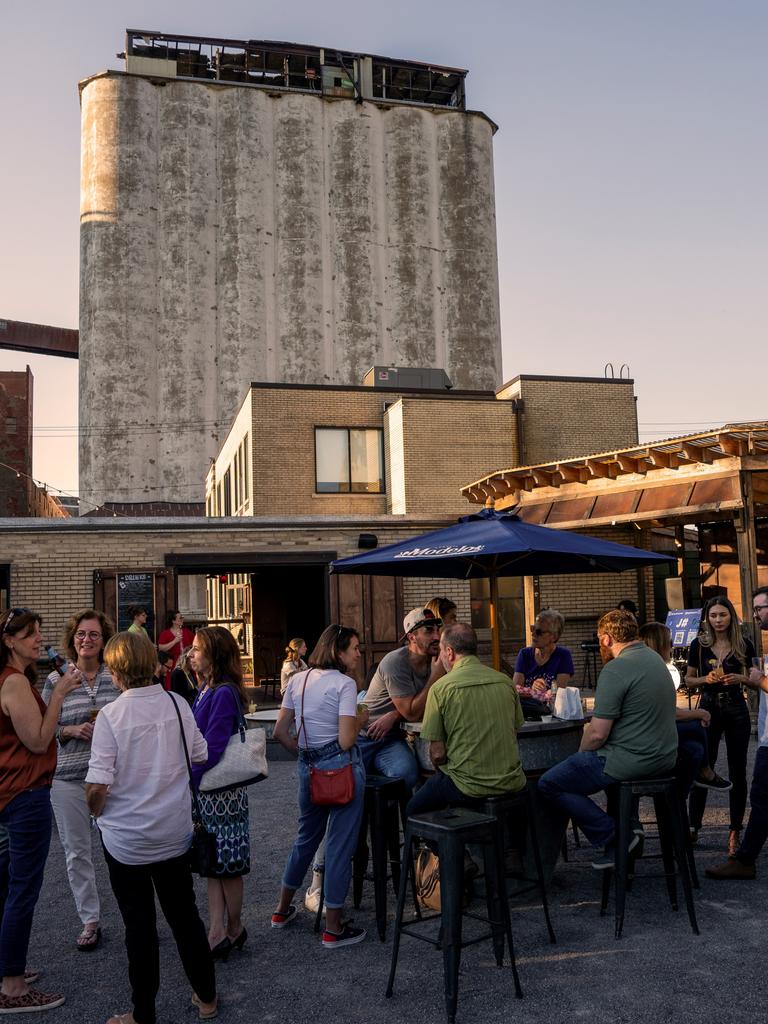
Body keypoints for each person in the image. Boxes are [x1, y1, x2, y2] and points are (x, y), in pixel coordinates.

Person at [85, 630, 216, 1024]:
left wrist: (97, 813)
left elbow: (97, 785)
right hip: (174, 832)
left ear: (117, 671)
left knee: (139, 926)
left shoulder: (111, 715)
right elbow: (201, 753)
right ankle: (207, 997)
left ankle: (144, 1014)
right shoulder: (178, 703)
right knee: (185, 916)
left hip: (126, 840)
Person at [538, 609, 678, 869]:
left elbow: (597, 733)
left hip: (632, 761)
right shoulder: (655, 659)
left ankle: (614, 835)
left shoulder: (616, 669)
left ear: (605, 640)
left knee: (549, 783)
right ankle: (629, 829)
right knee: (601, 775)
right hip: (664, 757)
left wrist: (579, 755)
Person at [0, 607, 80, 1014]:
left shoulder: (10, 679)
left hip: (8, 793)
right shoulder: (14, 682)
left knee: (6, 886)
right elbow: (37, 740)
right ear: (9, 641)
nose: (37, 638)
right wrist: (62, 692)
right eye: (28, 633)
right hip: (25, 794)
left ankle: (6, 969)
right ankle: (12, 988)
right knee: (22, 890)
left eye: (38, 632)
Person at [272, 624, 368, 948]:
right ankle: (334, 927)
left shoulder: (298, 680)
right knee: (340, 845)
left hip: (308, 767)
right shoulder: (345, 685)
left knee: (305, 839)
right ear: (338, 652)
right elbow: (346, 738)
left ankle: (282, 910)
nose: (358, 653)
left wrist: (304, 754)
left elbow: (280, 732)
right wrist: (361, 719)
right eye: (354, 647)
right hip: (340, 768)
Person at [42, 609, 119, 951]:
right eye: (81, 635)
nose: (86, 640)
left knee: (121, 848)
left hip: (111, 779)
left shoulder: (116, 676)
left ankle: (135, 914)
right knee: (77, 852)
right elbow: (42, 731)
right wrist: (70, 730)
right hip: (69, 777)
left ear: (104, 641)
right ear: (72, 640)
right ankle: (90, 920)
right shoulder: (55, 680)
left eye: (93, 635)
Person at [406, 623, 525, 818]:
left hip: (465, 786)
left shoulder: (440, 688)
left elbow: (437, 754)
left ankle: (445, 847)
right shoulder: (505, 681)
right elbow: (513, 733)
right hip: (510, 782)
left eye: (442, 652)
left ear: (450, 652)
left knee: (413, 810)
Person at [188, 627, 250, 958]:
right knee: (212, 863)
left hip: (222, 792)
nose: (191, 653)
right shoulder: (204, 688)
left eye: (197, 649)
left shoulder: (223, 692)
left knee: (228, 866)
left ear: (215, 654)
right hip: (209, 792)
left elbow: (211, 748)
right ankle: (215, 931)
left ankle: (235, 926)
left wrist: (190, 779)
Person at [706, 587, 768, 879]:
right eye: (754, 610)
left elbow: (760, 682)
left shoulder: (745, 645)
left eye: (760, 609)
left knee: (760, 794)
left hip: (753, 726)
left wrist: (757, 680)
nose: (756, 616)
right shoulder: (701, 644)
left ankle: (744, 859)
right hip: (761, 731)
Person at [686, 596, 755, 854]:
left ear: (731, 617)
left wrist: (740, 677)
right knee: (704, 766)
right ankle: (693, 826)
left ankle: (735, 831)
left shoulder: (744, 645)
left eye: (722, 615)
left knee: (738, 770)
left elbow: (754, 677)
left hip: (736, 707)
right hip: (708, 706)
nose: (718, 620)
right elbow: (689, 680)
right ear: (707, 618)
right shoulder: (699, 645)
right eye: (713, 616)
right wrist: (706, 677)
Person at [357, 608, 446, 790]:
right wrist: (436, 676)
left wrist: (395, 715)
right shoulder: (395, 662)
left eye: (438, 630)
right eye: (429, 631)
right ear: (412, 637)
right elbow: (412, 713)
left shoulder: (436, 660)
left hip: (391, 738)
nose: (437, 636)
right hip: (364, 736)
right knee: (348, 785)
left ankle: (401, 814)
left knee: (407, 775)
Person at [638, 621, 728, 794]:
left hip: (655, 728)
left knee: (696, 748)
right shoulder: (653, 671)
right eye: (669, 641)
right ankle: (704, 774)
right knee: (696, 726)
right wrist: (699, 712)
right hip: (648, 734)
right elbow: (669, 714)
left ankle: (683, 792)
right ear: (658, 644)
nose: (672, 645)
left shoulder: (655, 668)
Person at [512, 608, 574, 693]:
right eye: (532, 628)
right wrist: (532, 689)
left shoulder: (563, 655)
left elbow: (559, 693)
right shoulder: (524, 654)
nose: (533, 634)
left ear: (554, 636)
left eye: (538, 631)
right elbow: (516, 690)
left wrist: (543, 691)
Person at [157, 611, 194, 685]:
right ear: (173, 621)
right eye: (180, 618)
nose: (182, 619)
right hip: (172, 664)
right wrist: (174, 641)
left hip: (186, 663)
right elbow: (161, 648)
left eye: (182, 617)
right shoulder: (165, 634)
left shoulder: (187, 632)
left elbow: (194, 645)